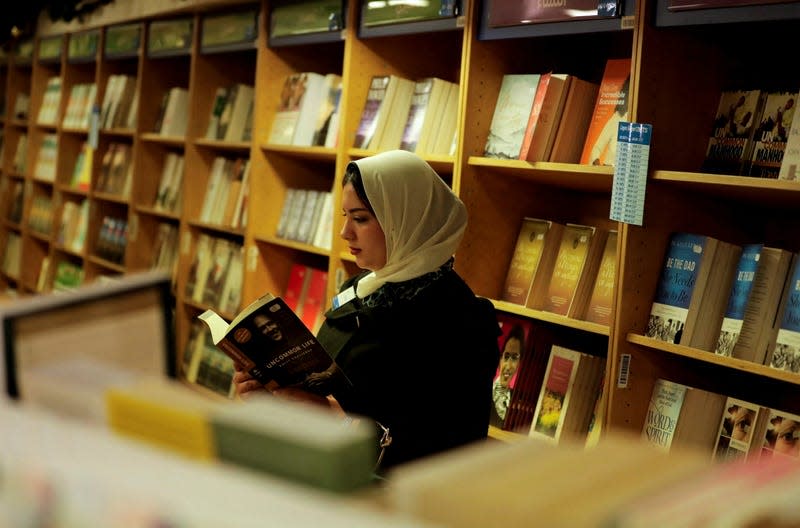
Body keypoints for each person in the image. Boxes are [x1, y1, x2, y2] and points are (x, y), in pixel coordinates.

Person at [234, 150, 501, 471]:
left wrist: (334, 418)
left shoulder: (461, 321)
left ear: (405, 220)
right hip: (318, 468)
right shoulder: (358, 288)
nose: (345, 232)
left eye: (360, 218)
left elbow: (449, 450)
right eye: (344, 216)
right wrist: (271, 396)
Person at [490, 323, 526, 428]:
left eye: (514, 358)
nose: (508, 366)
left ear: (520, 363)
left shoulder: (516, 400)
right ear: (500, 359)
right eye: (506, 356)